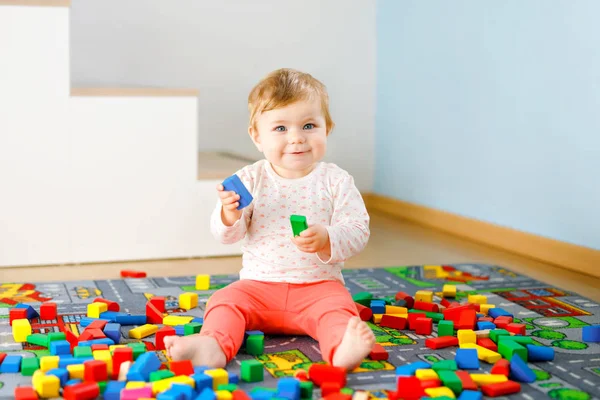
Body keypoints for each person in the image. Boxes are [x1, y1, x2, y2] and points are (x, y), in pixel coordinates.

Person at [165, 68, 374, 370]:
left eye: (309, 125)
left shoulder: (337, 181)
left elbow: (357, 230)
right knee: (224, 301)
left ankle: (343, 348)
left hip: (318, 287)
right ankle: (212, 345)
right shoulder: (249, 179)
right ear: (256, 136)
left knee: (339, 309)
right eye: (280, 129)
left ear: (326, 128)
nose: (297, 138)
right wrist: (229, 214)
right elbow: (226, 235)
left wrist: (328, 236)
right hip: (257, 288)